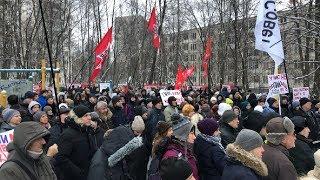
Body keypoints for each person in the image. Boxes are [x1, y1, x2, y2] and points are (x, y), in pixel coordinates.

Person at [54, 105, 93, 180]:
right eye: (86, 115)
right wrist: (79, 172)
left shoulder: (86, 131)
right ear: (77, 118)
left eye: (89, 115)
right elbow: (60, 157)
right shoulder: (67, 135)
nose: (89, 118)